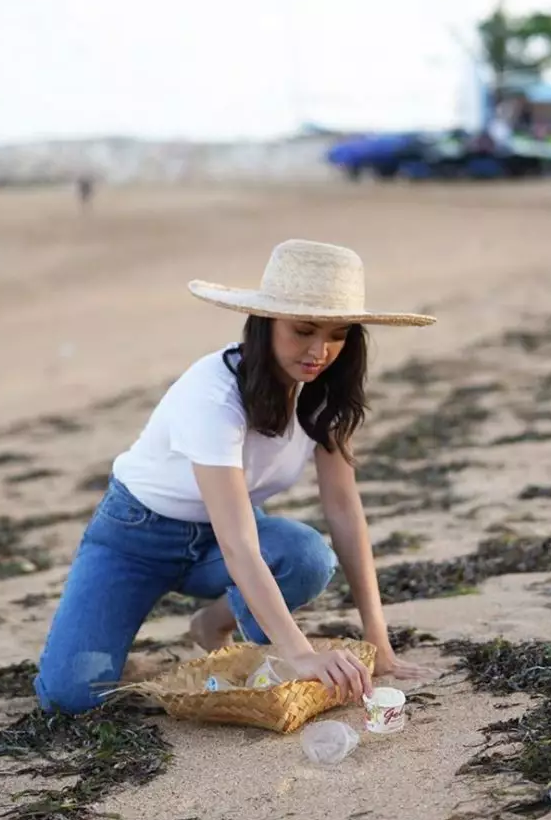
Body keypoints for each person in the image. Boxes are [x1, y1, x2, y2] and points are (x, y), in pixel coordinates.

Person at [35, 239, 435, 714]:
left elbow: (345, 511)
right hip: (135, 540)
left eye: (338, 334)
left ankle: (213, 623)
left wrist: (378, 639)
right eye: (303, 330)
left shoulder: (323, 393)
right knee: (70, 698)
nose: (319, 351)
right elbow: (239, 546)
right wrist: (301, 652)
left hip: (220, 543)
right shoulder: (213, 394)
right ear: (264, 324)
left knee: (305, 556)